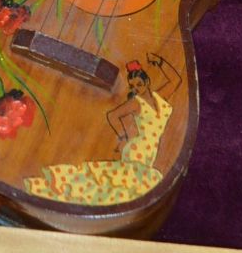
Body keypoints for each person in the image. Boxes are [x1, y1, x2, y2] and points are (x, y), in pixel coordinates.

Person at [24, 51, 180, 205]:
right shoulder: (137, 103)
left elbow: (175, 80)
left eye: (139, 84)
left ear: (147, 82)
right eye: (133, 86)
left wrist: (159, 61)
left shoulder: (159, 98)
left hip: (149, 153)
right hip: (137, 150)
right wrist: (124, 136)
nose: (137, 89)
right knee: (122, 185)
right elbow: (113, 115)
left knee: (123, 186)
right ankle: (63, 193)